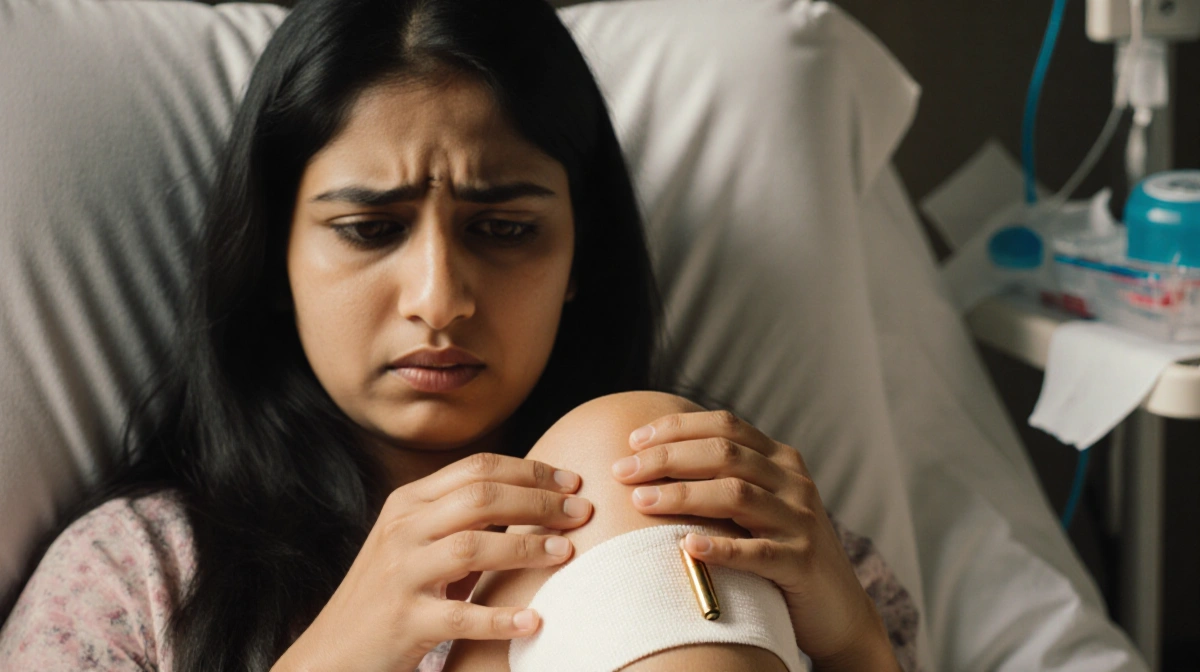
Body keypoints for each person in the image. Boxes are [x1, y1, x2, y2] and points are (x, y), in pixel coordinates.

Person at [0, 0, 920, 670]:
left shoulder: (743, 518)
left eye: (505, 229)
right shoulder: (141, 576)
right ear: (273, 256)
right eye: (370, 230)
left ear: (578, 261)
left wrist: (861, 650)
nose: (439, 300)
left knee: (624, 455)